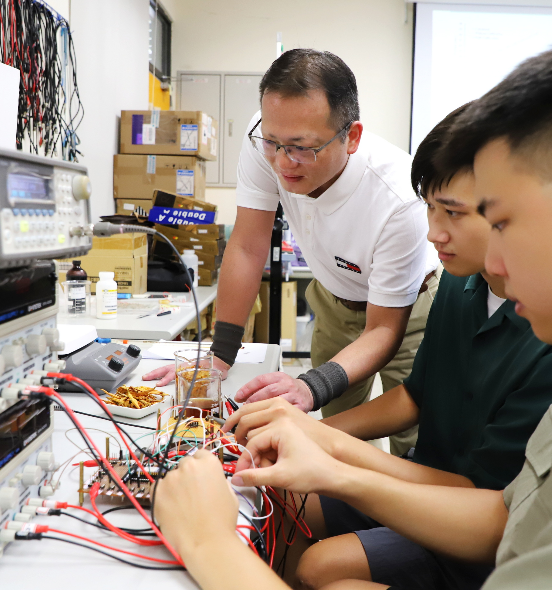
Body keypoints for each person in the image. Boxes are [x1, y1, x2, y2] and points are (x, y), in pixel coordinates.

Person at [154, 34, 552, 590]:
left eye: (501, 221)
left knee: (323, 568)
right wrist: (328, 447)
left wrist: (210, 542)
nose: (492, 261)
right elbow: (508, 512)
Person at [217, 104, 552, 590]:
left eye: (453, 214)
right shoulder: (460, 283)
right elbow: (417, 395)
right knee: (280, 499)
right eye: (430, 207)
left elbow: (486, 504)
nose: (432, 233)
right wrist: (308, 430)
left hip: (474, 523)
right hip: (431, 481)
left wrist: (328, 445)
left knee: (324, 567)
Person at [145, 49, 438, 456]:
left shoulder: (398, 199)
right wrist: (219, 355)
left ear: (351, 137)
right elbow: (248, 246)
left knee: (417, 443)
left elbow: (384, 330)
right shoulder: (270, 135)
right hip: (336, 300)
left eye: (301, 148)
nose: (283, 162)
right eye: (273, 144)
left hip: (409, 312)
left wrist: (309, 384)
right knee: (332, 434)